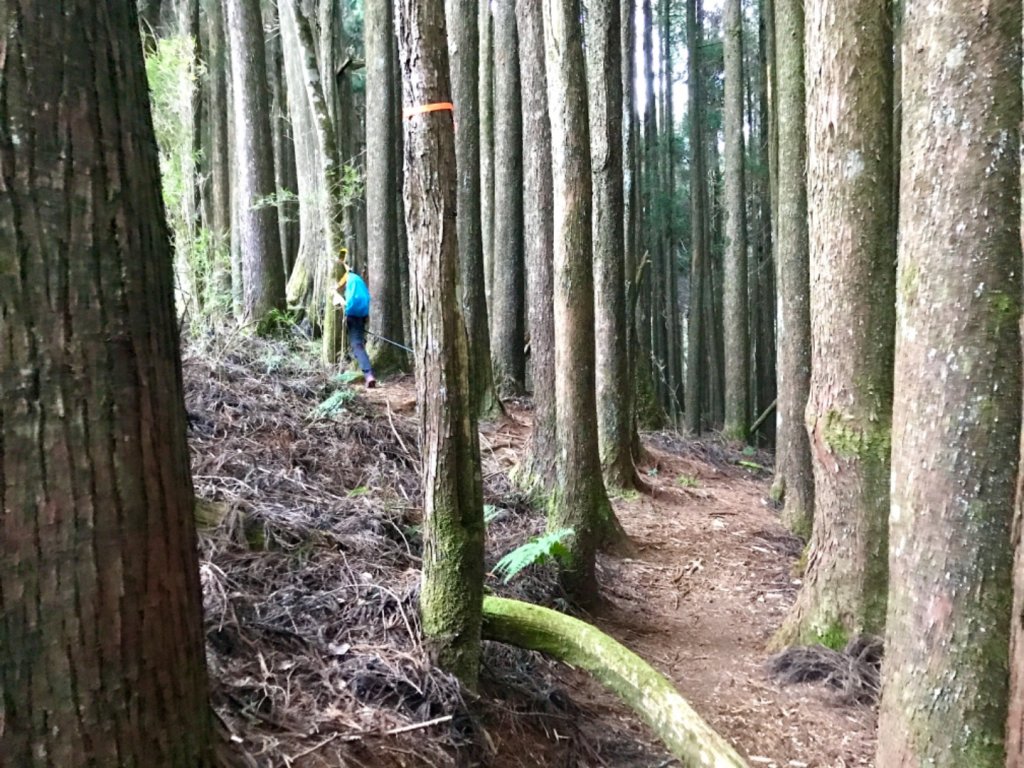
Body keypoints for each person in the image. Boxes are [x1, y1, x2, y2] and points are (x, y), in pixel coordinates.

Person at [334, 265, 376, 388]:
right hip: (361, 315)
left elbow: (339, 293)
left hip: (352, 314)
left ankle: (368, 374)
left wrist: (335, 292)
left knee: (356, 345)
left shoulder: (347, 278)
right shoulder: (357, 279)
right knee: (358, 342)